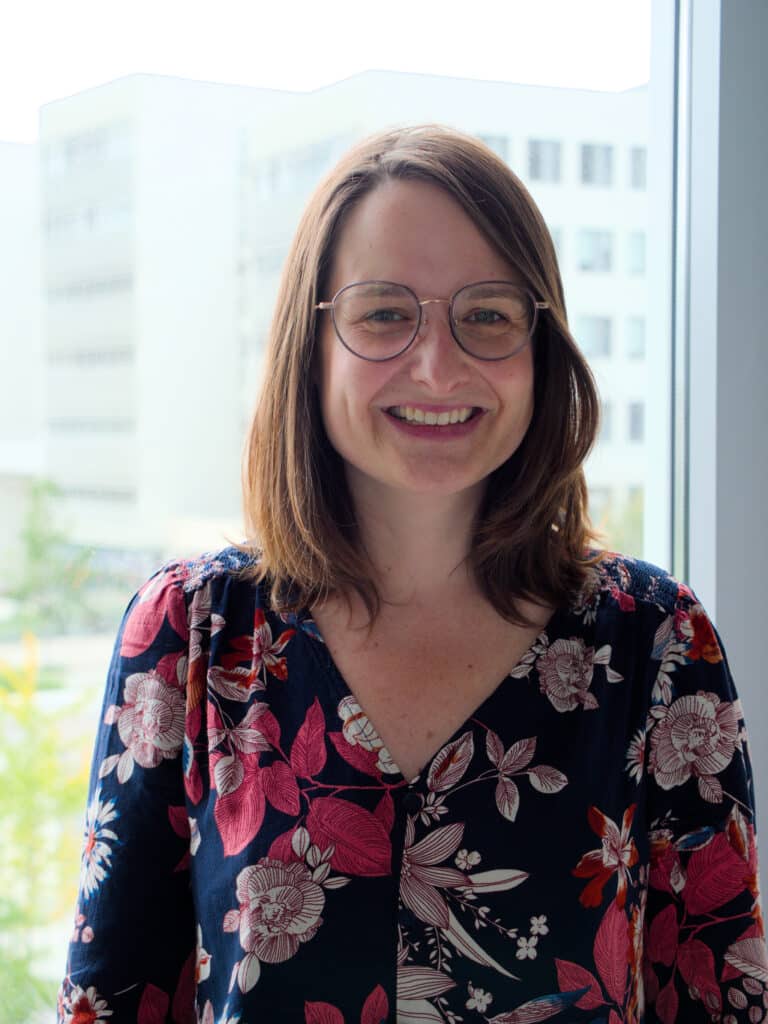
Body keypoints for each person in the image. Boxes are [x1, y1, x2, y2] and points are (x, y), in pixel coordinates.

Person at [58, 126, 766, 1024]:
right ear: (310, 346)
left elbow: (719, 1000)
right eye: (385, 312)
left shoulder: (658, 642)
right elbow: (108, 1002)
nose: (438, 364)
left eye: (490, 314)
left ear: (540, 349)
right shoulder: (188, 633)